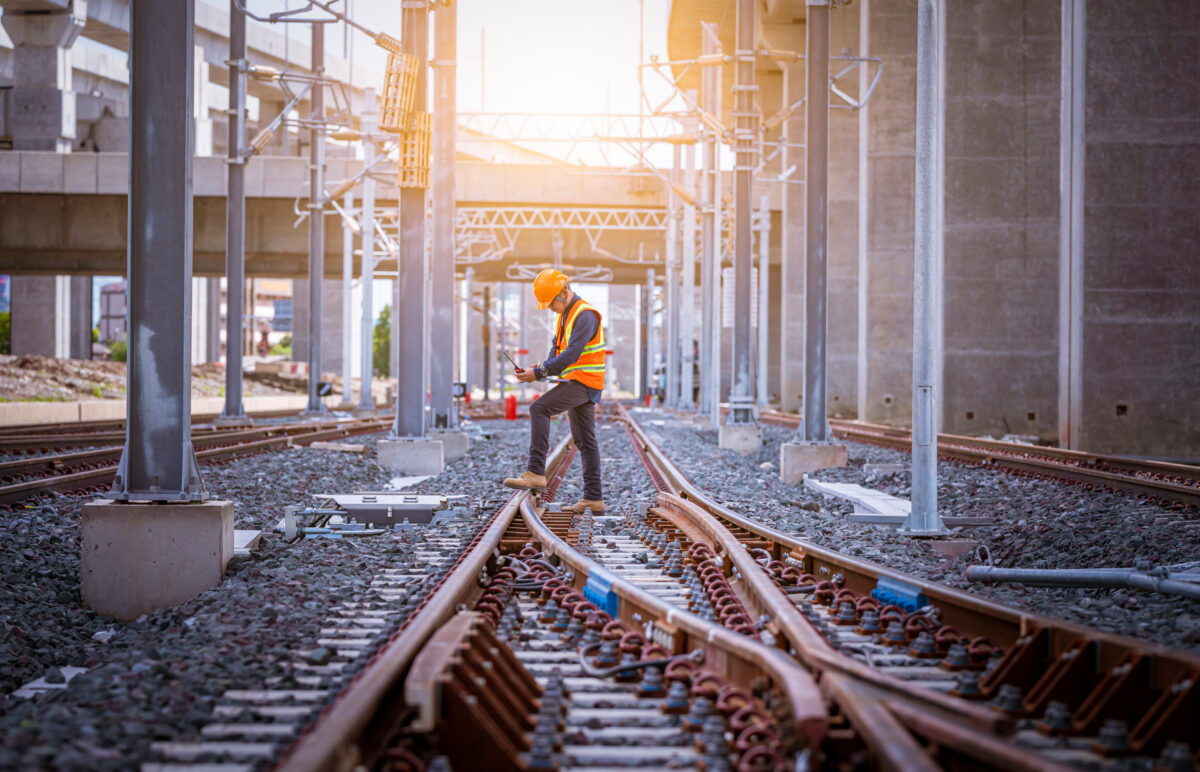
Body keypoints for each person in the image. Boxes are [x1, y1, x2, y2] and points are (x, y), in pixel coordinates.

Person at [503, 269, 606, 514]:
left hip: (584, 380)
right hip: (576, 380)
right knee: (585, 440)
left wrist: (540, 374)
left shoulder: (585, 316)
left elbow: (571, 355)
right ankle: (594, 498)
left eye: (551, 303)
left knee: (539, 407)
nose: (550, 308)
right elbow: (556, 349)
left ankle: (536, 471)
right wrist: (540, 367)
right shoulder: (566, 315)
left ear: (563, 292)